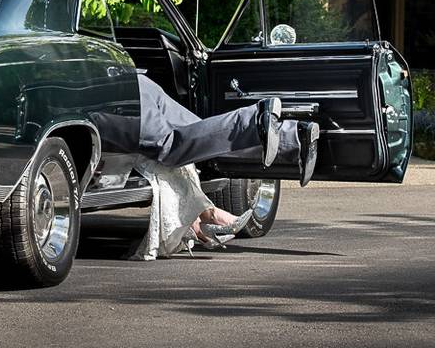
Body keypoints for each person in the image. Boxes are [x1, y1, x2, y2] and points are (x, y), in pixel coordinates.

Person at [90, 74, 320, 255]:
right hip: (137, 82)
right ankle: (295, 136)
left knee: (170, 148)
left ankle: (254, 118)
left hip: (109, 98)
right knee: (201, 136)